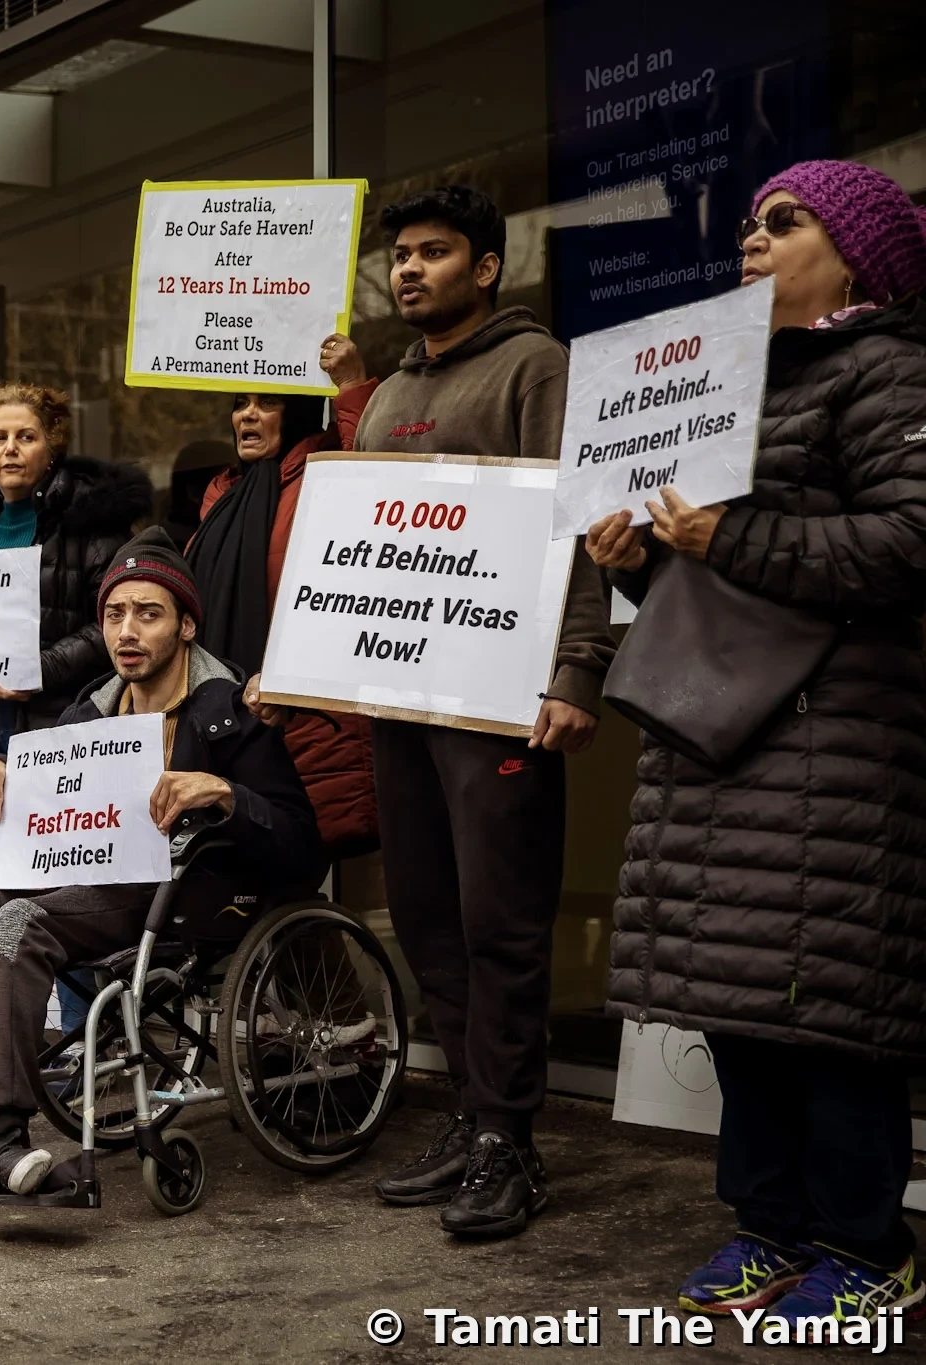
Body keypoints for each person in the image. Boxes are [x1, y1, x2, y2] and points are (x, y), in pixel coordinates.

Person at [588, 161, 926, 1323]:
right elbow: (717, 557)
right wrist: (638, 554)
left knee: (825, 1013)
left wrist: (726, 536)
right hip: (720, 739)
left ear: (858, 258)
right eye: (747, 223)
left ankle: (868, 1254)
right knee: (739, 1007)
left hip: (831, 746)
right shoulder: (722, 382)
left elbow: (906, 540)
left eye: (784, 224)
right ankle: (766, 1231)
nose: (751, 239)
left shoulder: (886, 371)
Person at [0, 530, 324, 1190]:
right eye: (114, 614)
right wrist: (0, 775)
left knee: (18, 922)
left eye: (148, 613)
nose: (126, 630)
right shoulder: (87, 710)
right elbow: (50, 807)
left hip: (190, 893)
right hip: (89, 886)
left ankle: (6, 1140)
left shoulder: (231, 712)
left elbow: (303, 844)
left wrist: (224, 793)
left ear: (187, 624)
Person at [337, 184, 614, 1239]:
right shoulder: (387, 393)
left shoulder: (533, 365)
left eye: (433, 253)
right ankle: (468, 1112)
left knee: (499, 925)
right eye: (399, 256)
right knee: (423, 915)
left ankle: (509, 1141)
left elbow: (572, 519)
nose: (408, 270)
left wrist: (574, 672)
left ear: (485, 267)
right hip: (399, 693)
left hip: (499, 700)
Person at [0, 384, 152, 859]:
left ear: (52, 443)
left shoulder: (90, 520)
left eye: (25, 437)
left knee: (44, 866)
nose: (9, 449)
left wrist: (40, 669)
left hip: (55, 718)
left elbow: (116, 624)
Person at [198, 350, 382, 862]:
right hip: (240, 717)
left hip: (310, 719)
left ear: (298, 411)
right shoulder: (221, 494)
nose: (247, 415)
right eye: (240, 403)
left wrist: (348, 383)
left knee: (304, 872)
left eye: (268, 402)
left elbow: (379, 472)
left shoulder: (326, 474)